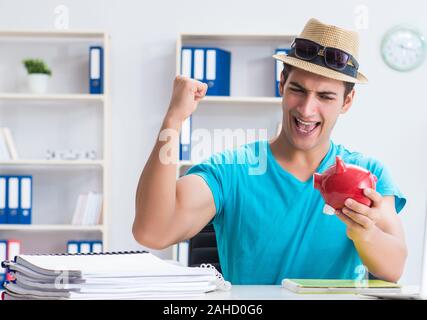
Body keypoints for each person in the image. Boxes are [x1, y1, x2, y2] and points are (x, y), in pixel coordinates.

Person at [133, 18, 407, 285]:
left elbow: (393, 270)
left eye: (325, 96)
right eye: (298, 90)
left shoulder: (367, 175)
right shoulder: (232, 170)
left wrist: (366, 233)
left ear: (347, 101)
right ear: (282, 85)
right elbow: (152, 232)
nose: (307, 109)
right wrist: (173, 120)